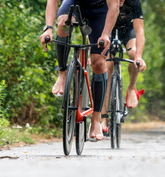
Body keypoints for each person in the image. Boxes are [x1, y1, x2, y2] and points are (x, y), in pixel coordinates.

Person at [39, 0, 119, 141]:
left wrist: (106, 34)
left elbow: (114, 6)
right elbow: (53, 1)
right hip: (74, 4)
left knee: (99, 63)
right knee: (63, 23)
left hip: (100, 10)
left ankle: (96, 118)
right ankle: (62, 73)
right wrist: (48, 28)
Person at [100, 0, 147, 134]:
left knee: (132, 54)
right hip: (108, 30)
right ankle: (104, 118)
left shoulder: (134, 2)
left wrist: (139, 56)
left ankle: (131, 88)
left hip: (127, 31)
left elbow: (140, 30)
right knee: (107, 67)